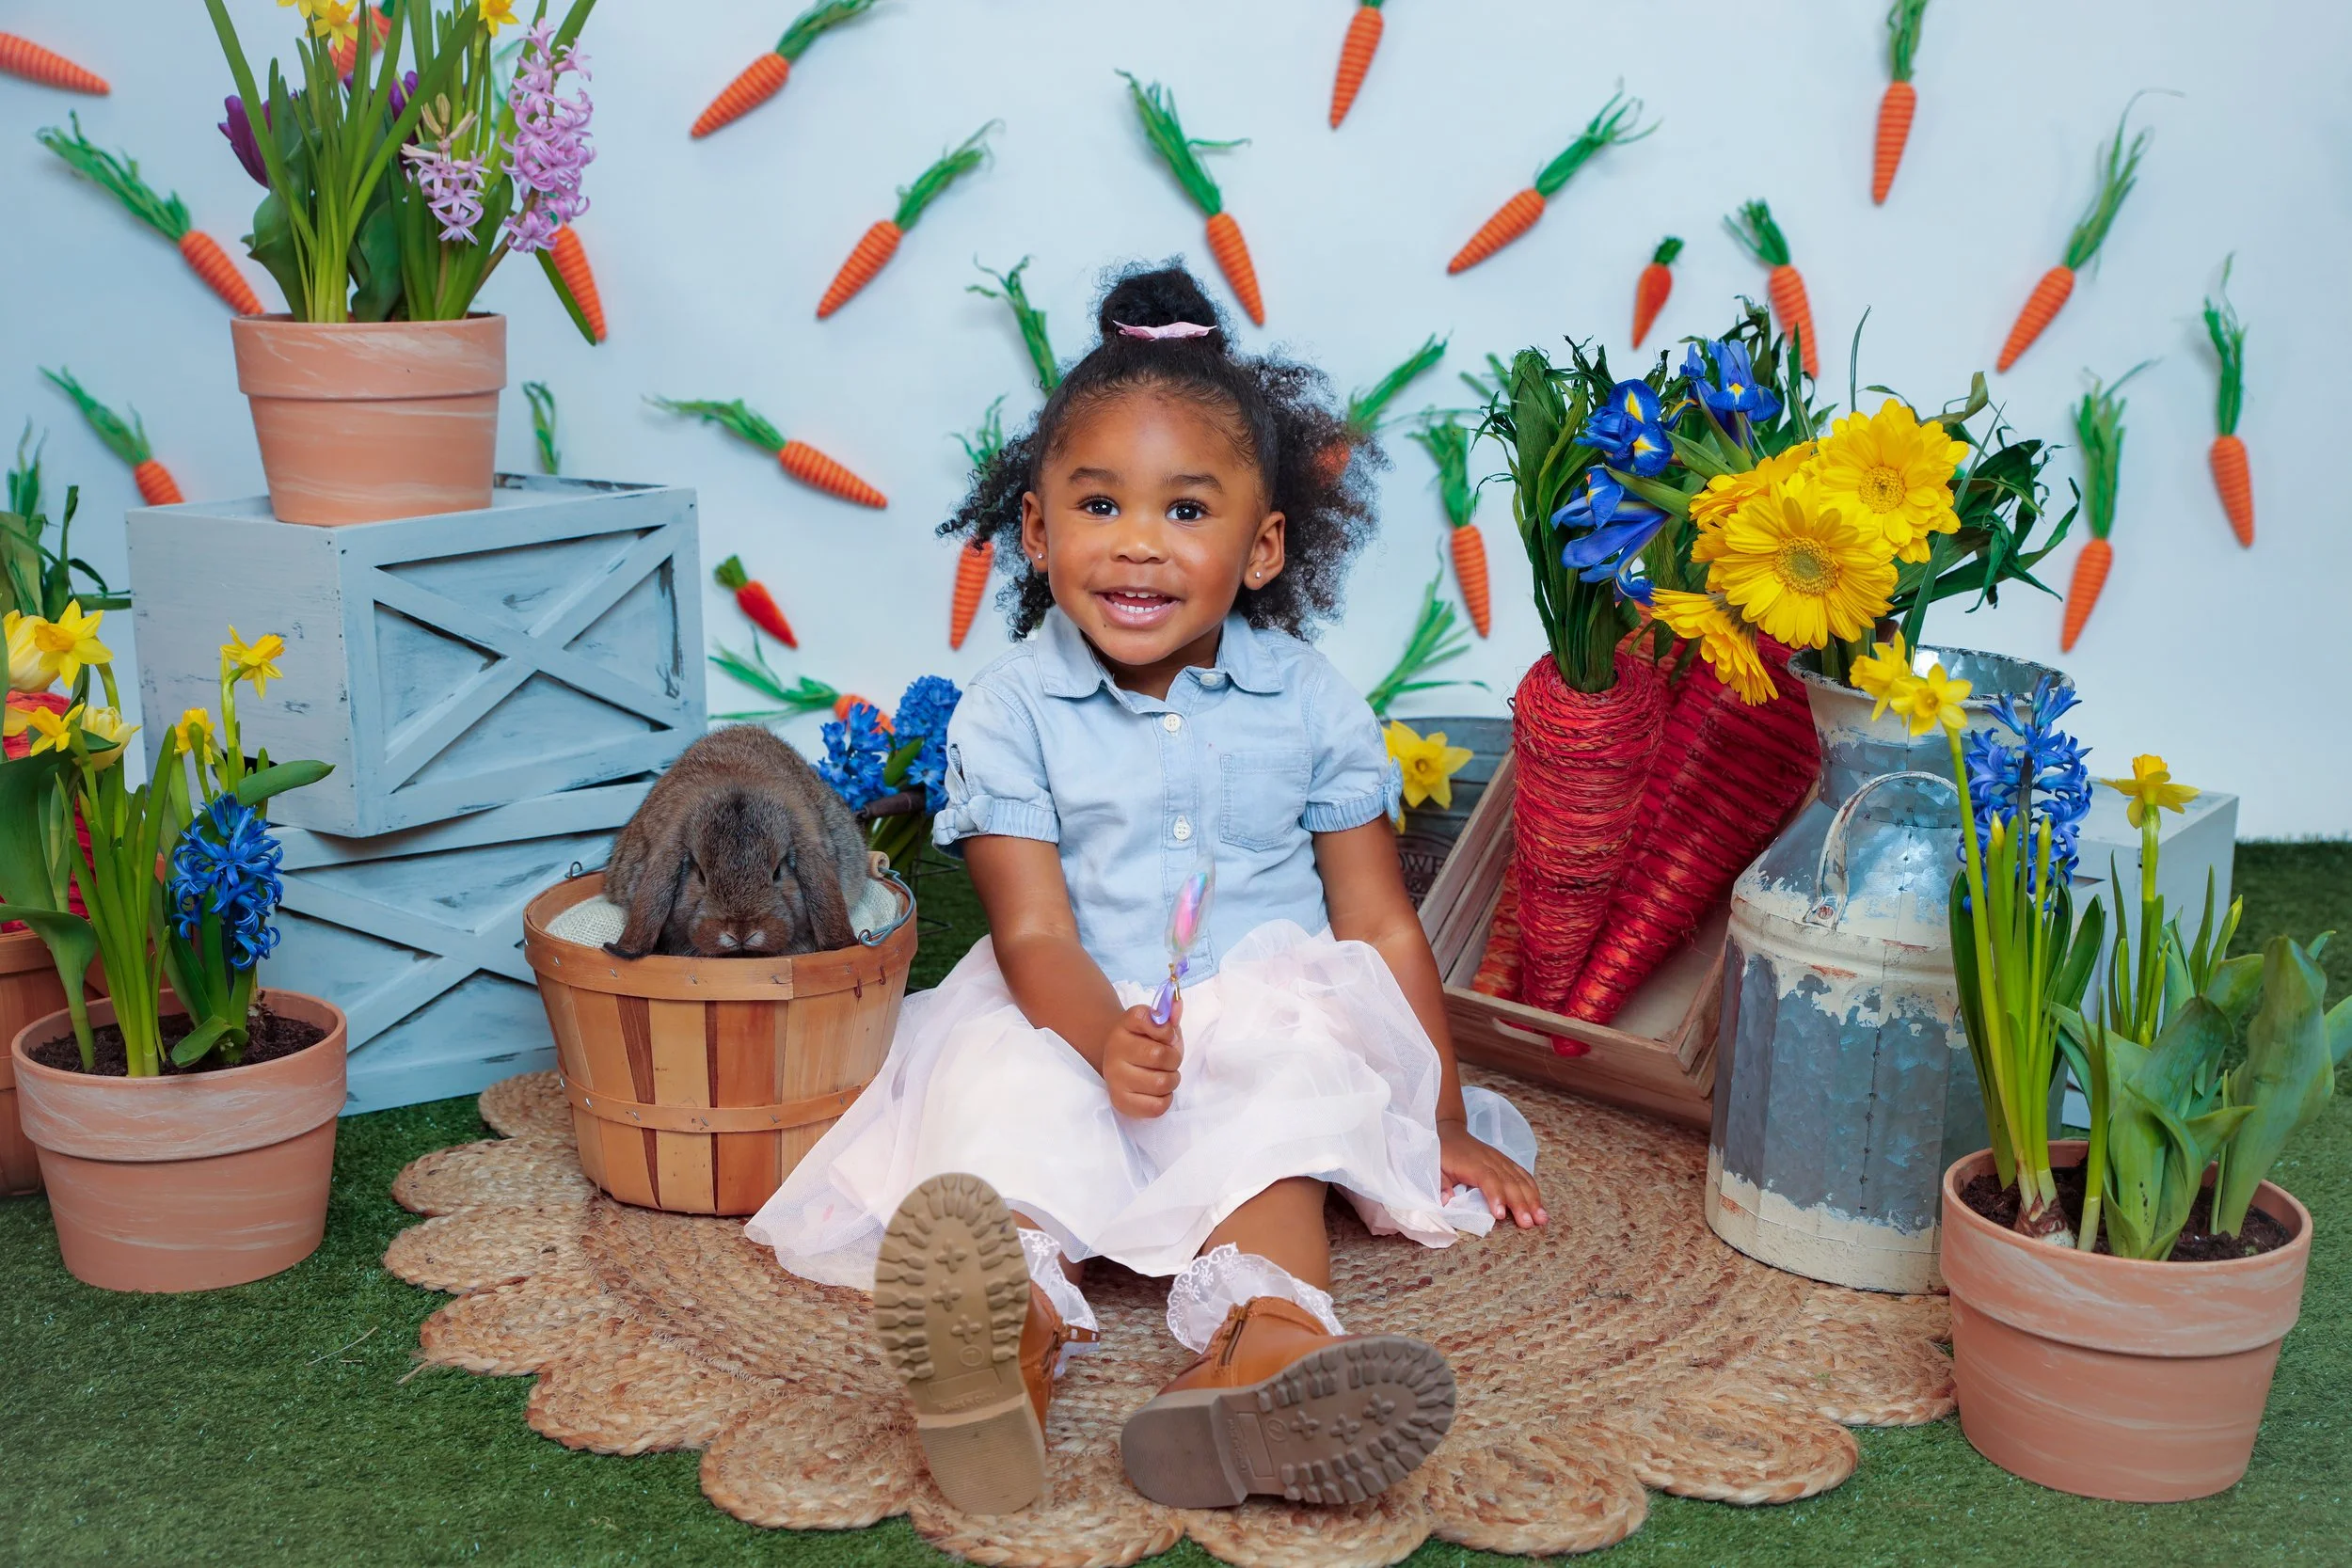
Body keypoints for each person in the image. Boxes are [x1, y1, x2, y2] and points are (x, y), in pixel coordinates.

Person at [745, 263, 1546, 1516]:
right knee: (1001, 1097)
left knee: (1280, 1114)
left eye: (1186, 510)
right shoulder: (1011, 710)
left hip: (1256, 1002)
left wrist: (1437, 1118)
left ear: (1264, 543)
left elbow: (1378, 919)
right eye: (1099, 501)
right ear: (1036, 530)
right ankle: (999, 1343)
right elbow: (1030, 929)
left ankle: (1265, 1350)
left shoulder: (1316, 705)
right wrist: (1100, 1035)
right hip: (1069, 1002)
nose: (1136, 541)